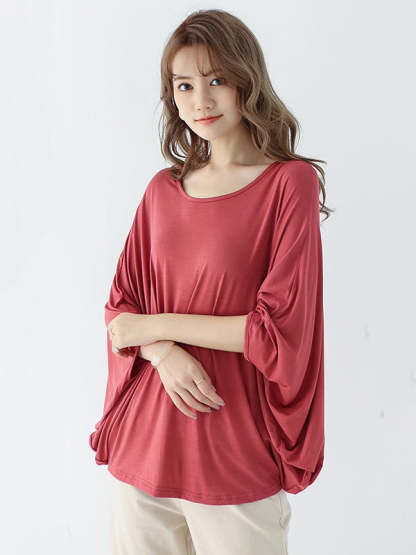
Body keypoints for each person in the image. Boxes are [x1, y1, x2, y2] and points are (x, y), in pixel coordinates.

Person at [89, 8, 333, 555]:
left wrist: (155, 327)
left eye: (217, 79)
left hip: (233, 458)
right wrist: (162, 352)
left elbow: (274, 333)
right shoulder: (161, 191)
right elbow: (120, 318)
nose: (201, 99)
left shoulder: (287, 184)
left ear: (247, 81)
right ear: (172, 97)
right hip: (141, 453)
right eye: (185, 85)